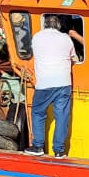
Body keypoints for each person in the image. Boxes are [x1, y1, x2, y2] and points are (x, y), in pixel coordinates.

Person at [25, 14, 78, 156]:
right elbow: (74, 58)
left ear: (45, 24)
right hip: (64, 83)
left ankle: (37, 147)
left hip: (45, 83)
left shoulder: (37, 37)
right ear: (59, 26)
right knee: (62, 116)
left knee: (37, 112)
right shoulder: (66, 39)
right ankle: (59, 151)